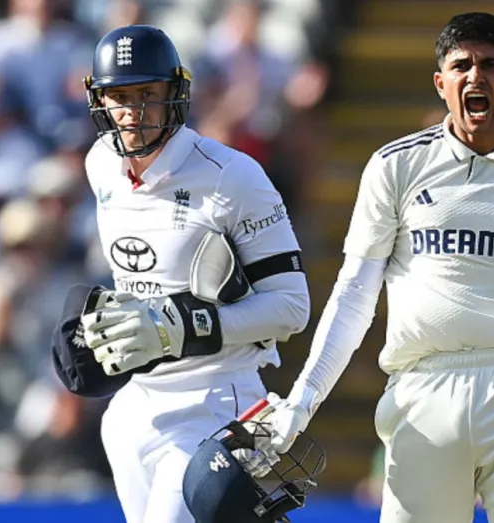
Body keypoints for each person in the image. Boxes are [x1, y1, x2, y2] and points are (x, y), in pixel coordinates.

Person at [240, 12, 494, 523]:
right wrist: (303, 398)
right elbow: (354, 294)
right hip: (424, 385)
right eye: (461, 65)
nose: (475, 76)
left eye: (491, 65)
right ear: (440, 83)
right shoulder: (395, 166)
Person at [53, 24, 310, 523]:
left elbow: (291, 306)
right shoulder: (100, 164)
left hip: (216, 398)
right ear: (99, 100)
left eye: (148, 93)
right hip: (134, 404)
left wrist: (178, 327)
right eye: (119, 96)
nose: (133, 110)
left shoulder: (233, 176)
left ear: (176, 92)